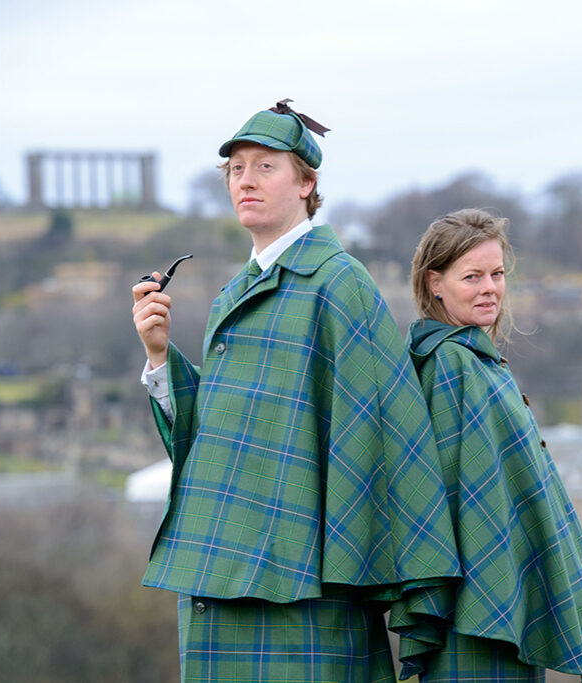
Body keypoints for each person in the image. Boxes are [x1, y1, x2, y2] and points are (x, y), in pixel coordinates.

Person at [131, 99, 460, 683]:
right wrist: (159, 354)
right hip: (216, 577)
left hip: (302, 595)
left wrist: (352, 573)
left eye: (265, 166)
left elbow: (383, 435)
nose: (246, 180)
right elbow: (213, 437)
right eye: (236, 169)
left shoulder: (340, 283)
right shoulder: (234, 292)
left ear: (307, 182)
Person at [393, 209, 582, 682]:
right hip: (481, 605)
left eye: (497, 274)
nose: (490, 288)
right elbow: (452, 500)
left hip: (496, 599)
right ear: (435, 283)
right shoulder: (452, 366)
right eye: (473, 277)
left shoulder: (476, 361)